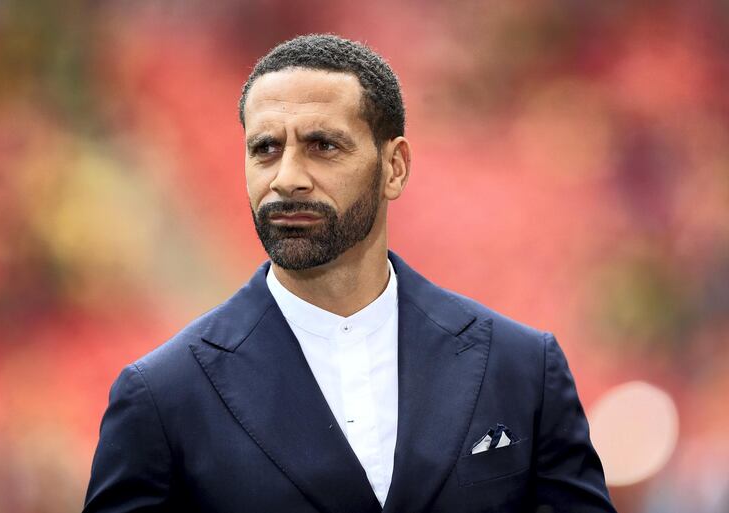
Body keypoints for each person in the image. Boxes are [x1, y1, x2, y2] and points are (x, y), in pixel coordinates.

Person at [83, 34, 616, 513]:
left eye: (322, 146)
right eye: (265, 149)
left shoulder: (521, 369)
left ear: (395, 167)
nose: (287, 177)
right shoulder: (162, 395)